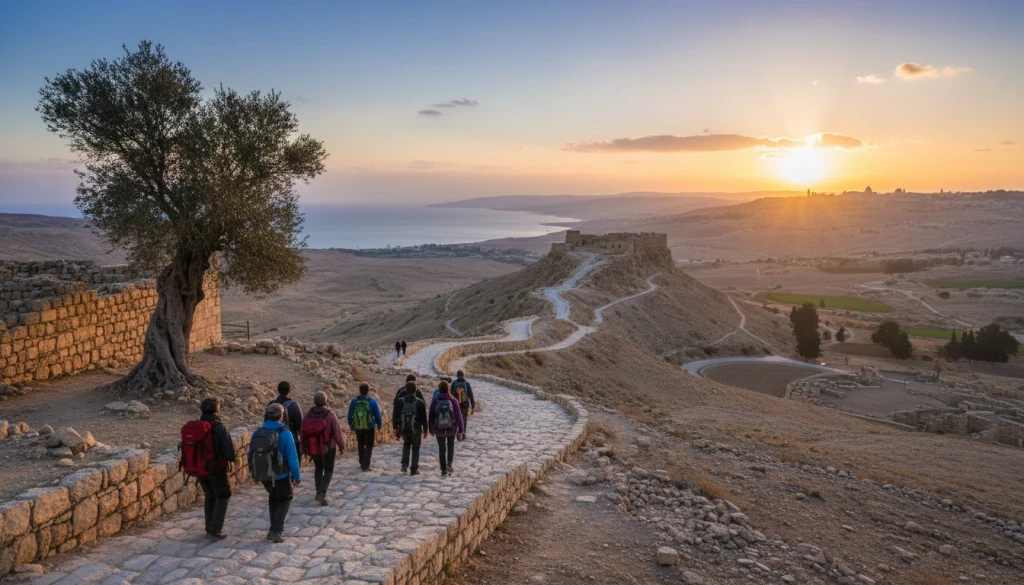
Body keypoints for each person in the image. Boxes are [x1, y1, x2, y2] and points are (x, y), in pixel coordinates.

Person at [248, 403, 301, 543]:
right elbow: (292, 458)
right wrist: (297, 476)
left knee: (273, 498)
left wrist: (253, 473)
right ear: (282, 416)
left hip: (264, 475)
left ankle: (273, 528)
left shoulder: (257, 432)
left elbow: (250, 454)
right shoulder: (285, 433)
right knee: (285, 498)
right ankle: (275, 531)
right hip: (282, 475)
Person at [193, 397, 235, 539]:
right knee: (223, 496)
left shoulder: (196, 426)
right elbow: (229, 453)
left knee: (210, 496)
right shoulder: (220, 427)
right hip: (217, 468)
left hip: (199, 468)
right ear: (217, 410)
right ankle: (215, 530)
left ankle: (208, 526)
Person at [300, 391, 345, 506]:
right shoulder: (330, 415)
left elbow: (303, 433)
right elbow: (337, 432)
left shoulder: (308, 415)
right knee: (329, 470)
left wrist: (303, 448)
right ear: (326, 401)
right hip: (328, 447)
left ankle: (318, 492)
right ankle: (321, 493)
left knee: (318, 468)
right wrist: (341, 446)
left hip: (313, 446)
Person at [429, 380, 465, 477]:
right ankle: (449, 463)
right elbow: (458, 415)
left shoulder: (435, 401)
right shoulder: (453, 400)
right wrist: (461, 429)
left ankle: (443, 469)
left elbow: (431, 415)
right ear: (448, 389)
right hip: (451, 428)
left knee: (442, 448)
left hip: (439, 428)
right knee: (450, 445)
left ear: (439, 389)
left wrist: (430, 428)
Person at [393, 381, 428, 474]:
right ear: (415, 390)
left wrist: (395, 427)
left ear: (406, 389)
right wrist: (425, 430)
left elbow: (396, 415)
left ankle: (404, 464)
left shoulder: (400, 401)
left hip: (404, 427)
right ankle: (414, 469)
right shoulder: (419, 402)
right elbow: (423, 417)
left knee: (406, 444)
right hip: (416, 428)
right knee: (416, 448)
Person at [347, 383, 382, 471]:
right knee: (369, 446)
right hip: (369, 427)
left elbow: (350, 414)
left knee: (361, 444)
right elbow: (377, 415)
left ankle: (362, 461)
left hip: (358, 426)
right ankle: (365, 465)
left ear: (360, 390)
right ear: (368, 391)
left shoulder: (354, 401)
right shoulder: (372, 401)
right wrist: (379, 424)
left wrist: (351, 424)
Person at [269, 381, 303, 449]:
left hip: (273, 440)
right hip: (291, 440)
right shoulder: (294, 405)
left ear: (278, 390)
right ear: (289, 391)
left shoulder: (271, 405)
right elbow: (300, 425)